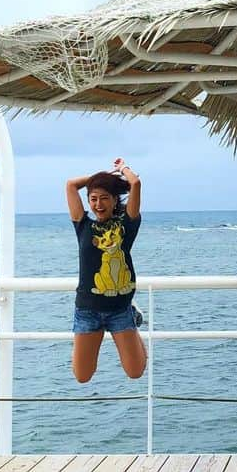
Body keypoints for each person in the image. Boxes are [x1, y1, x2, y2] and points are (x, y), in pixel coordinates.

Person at [66, 159, 146, 382]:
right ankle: (131, 317)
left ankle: (133, 318)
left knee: (135, 372)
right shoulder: (83, 225)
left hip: (119, 309)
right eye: (93, 199)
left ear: (114, 200)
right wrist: (99, 177)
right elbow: (71, 185)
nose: (98, 204)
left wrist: (122, 170)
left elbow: (135, 184)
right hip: (87, 311)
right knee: (83, 376)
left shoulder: (126, 224)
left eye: (104, 198)